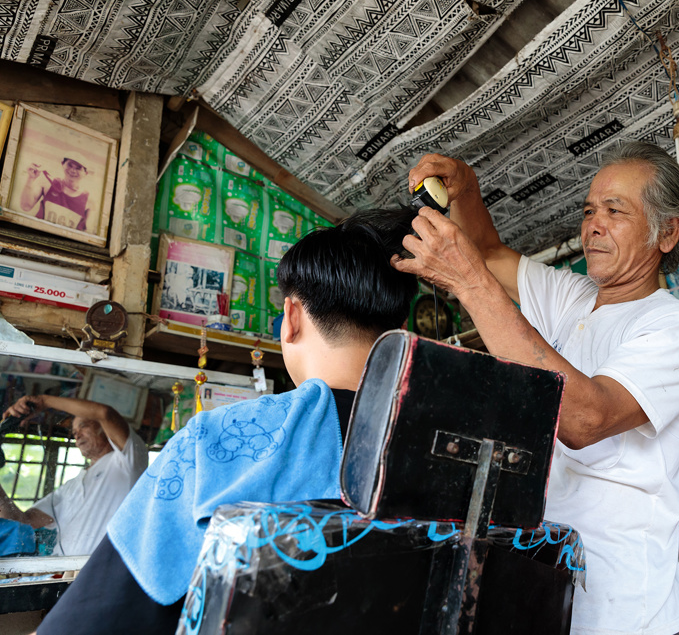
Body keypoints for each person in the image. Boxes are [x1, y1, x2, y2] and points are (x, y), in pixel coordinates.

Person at [33, 208, 419, 635]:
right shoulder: (448, 442)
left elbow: (93, 621)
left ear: (290, 318)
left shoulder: (216, 441)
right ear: (401, 332)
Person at [393, 142, 679, 635]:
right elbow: (491, 254)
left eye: (615, 210)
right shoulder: (573, 297)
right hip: (553, 596)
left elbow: (586, 420)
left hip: (630, 614)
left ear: (667, 233)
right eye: (588, 210)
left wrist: (471, 284)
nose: (593, 225)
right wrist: (467, 187)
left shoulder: (675, 327)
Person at [0, 396, 148, 557]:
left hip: (102, 572)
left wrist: (43, 401)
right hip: (63, 574)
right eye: (74, 432)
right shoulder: (71, 486)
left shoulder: (127, 460)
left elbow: (104, 413)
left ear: (104, 428)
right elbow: (24, 521)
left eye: (83, 426)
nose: (77, 436)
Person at [18, 152, 93, 230]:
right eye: (69, 165)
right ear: (62, 164)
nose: (73, 170)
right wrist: (30, 178)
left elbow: (86, 233)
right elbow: (26, 206)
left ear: (86, 173)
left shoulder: (89, 201)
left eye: (78, 168)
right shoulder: (48, 184)